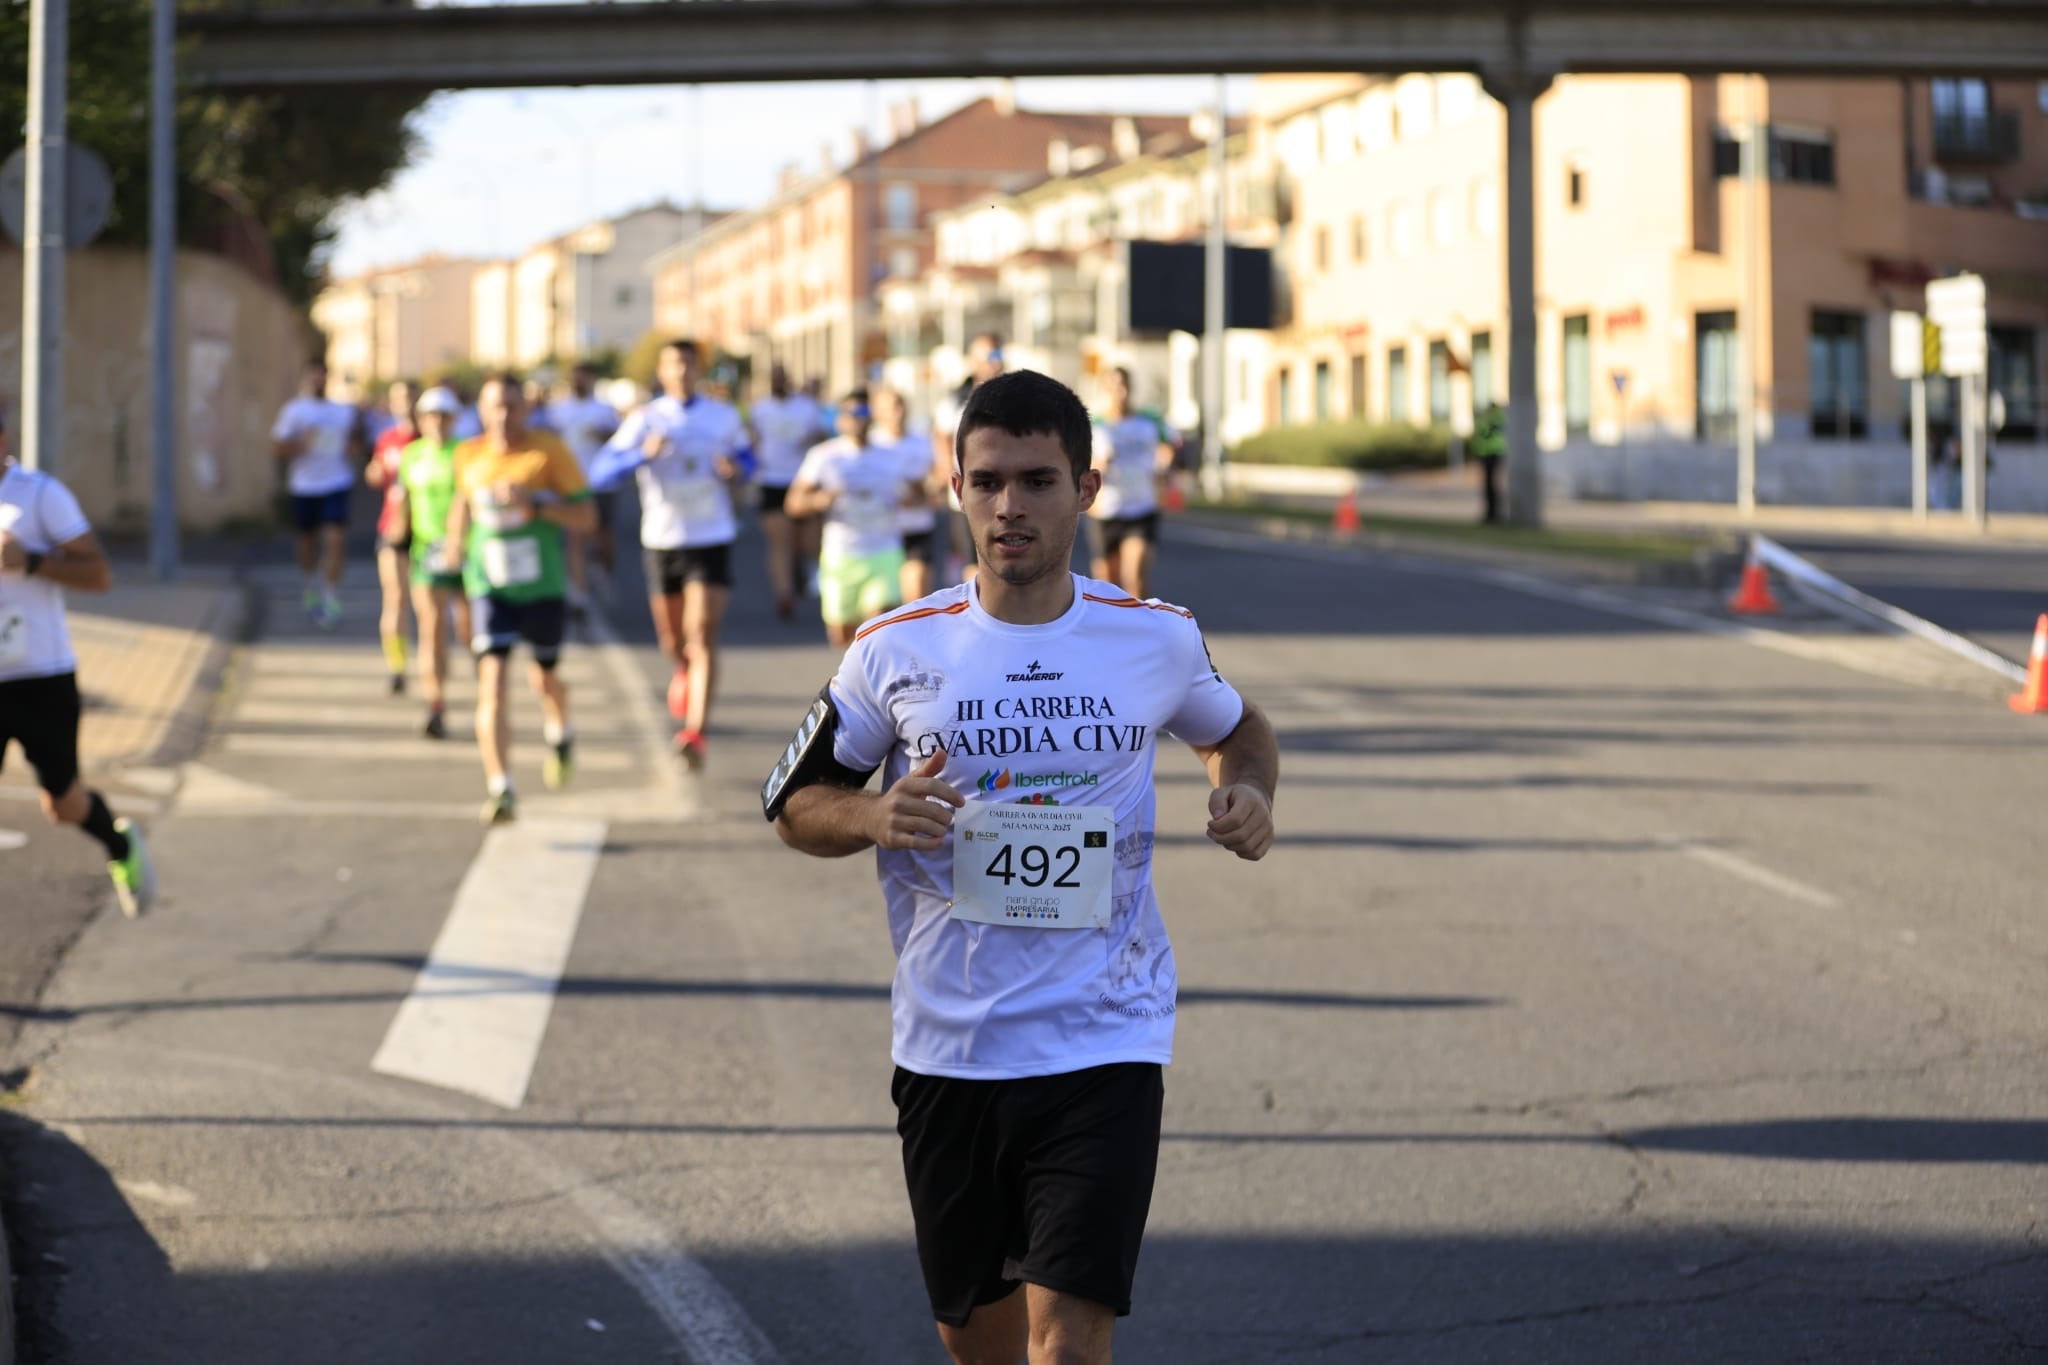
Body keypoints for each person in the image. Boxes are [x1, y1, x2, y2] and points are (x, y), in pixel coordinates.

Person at [764, 370, 1279, 1364]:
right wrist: (873, 814)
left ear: (1086, 489)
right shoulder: (890, 650)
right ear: (954, 487)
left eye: (1038, 480)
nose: (1010, 505)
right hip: (950, 1046)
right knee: (979, 1342)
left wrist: (1248, 790)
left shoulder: (1153, 637)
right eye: (987, 480)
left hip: (1106, 1034)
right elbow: (792, 806)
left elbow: (1237, 730)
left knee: (1070, 1340)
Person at [1, 431, 158, 916]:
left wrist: (28, 561)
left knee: (63, 804)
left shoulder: (40, 494)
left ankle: (119, 845)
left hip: (40, 678)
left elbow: (98, 575)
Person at [439, 374, 596, 824]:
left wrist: (537, 505)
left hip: (543, 586)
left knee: (545, 681)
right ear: (482, 411)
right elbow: (462, 505)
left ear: (525, 409)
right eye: (495, 407)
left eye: (512, 406)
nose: (503, 415)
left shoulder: (547, 452)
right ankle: (501, 786)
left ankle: (560, 729)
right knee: (492, 682)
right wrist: (454, 547)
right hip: (489, 586)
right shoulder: (468, 453)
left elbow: (586, 517)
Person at [590, 338, 751, 770]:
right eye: (673, 365)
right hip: (663, 540)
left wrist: (736, 470)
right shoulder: (646, 419)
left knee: (702, 633)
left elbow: (749, 461)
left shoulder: (722, 416)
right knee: (673, 640)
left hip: (711, 536)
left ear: (699, 370)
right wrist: (640, 457)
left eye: (688, 364)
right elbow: (600, 472)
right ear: (662, 372)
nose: (681, 372)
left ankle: (694, 731)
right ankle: (682, 668)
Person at [785, 389, 919, 648]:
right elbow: (792, 503)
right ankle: (856, 681)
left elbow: (920, 496)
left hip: (884, 552)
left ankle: (871, 685)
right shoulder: (824, 456)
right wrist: (818, 500)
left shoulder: (892, 456)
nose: (859, 419)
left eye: (864, 413)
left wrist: (910, 498)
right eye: (852, 414)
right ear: (840, 420)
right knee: (841, 636)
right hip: (841, 555)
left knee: (877, 632)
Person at [398, 387, 473, 740]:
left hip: (467, 552)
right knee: (431, 628)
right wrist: (397, 537)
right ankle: (436, 703)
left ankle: (484, 681)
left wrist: (459, 541)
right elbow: (403, 500)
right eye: (430, 416)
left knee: (468, 630)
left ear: (454, 419)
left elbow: (471, 500)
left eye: (444, 416)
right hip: (426, 551)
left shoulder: (466, 453)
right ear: (421, 419)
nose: (437, 423)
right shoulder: (412, 455)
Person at [270, 360, 362, 630]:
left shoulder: (342, 411)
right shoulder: (294, 411)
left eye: (322, 376)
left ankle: (330, 596)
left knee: (335, 540)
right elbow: (277, 448)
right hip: (304, 486)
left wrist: (352, 448)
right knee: (307, 541)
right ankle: (310, 584)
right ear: (305, 378)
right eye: (313, 376)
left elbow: (357, 443)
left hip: (337, 483)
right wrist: (301, 443)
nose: (318, 381)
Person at [1087, 367, 1179, 600]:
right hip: (1107, 509)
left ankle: (1139, 632)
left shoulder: (1149, 421)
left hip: (1142, 506)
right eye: (1113, 387)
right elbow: (1084, 463)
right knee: (1106, 583)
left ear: (1130, 388)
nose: (1119, 392)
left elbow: (1171, 445)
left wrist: (1164, 466)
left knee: (1135, 575)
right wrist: (1100, 467)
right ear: (1106, 390)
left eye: (1123, 386)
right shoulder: (1097, 425)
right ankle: (1110, 633)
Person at [749, 363, 829, 621]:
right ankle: (784, 593)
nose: (778, 382)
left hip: (802, 481)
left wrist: (813, 438)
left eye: (782, 377)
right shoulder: (760, 409)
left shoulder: (806, 407)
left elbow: (822, 436)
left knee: (807, 543)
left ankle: (805, 569)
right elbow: (752, 440)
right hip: (771, 481)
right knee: (780, 541)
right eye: (774, 378)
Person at [931, 332, 1007, 584]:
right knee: (974, 561)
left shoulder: (1017, 396)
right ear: (973, 362)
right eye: (989, 356)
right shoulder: (956, 401)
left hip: (1008, 492)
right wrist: (945, 470)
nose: (995, 362)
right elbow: (941, 436)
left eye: (998, 355)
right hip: (970, 492)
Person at [547, 362, 622, 616]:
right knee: (575, 538)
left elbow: (618, 439)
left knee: (603, 536)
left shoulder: (603, 409)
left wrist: (601, 434)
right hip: (571, 485)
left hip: (601, 482)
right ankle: (579, 594)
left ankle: (604, 571)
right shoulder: (559, 409)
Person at [364, 378, 419, 695]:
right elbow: (376, 473)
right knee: (395, 597)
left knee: (428, 607)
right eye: (400, 398)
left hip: (426, 529)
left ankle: (433, 662)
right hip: (392, 526)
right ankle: (397, 667)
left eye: (411, 396)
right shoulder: (387, 439)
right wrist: (373, 472)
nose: (406, 403)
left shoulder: (431, 439)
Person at [875, 385, 941, 603]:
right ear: (878, 411)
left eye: (900, 405)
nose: (897, 412)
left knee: (916, 593)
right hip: (880, 531)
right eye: (891, 407)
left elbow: (939, 478)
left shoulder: (922, 441)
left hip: (917, 526)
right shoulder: (872, 444)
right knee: (880, 603)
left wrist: (925, 489)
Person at [1469, 401, 1506, 525]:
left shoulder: (1492, 420)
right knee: (1491, 486)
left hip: (1490, 455)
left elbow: (1483, 434)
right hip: (1491, 454)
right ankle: (1492, 514)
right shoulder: (1498, 420)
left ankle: (1493, 514)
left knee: (1491, 487)